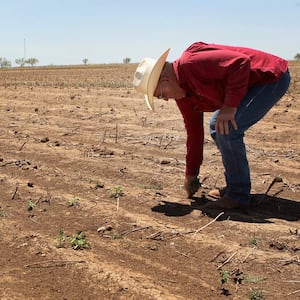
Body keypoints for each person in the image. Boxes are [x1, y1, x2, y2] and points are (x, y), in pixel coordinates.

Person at [132, 41, 290, 209]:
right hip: (249, 85)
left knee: (226, 128)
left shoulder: (191, 63)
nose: (164, 99)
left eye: (160, 94)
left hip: (269, 78)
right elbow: (195, 134)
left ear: (165, 80)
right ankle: (234, 187)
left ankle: (238, 195)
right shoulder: (184, 96)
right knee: (218, 126)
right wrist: (191, 174)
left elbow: (240, 62)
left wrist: (230, 106)